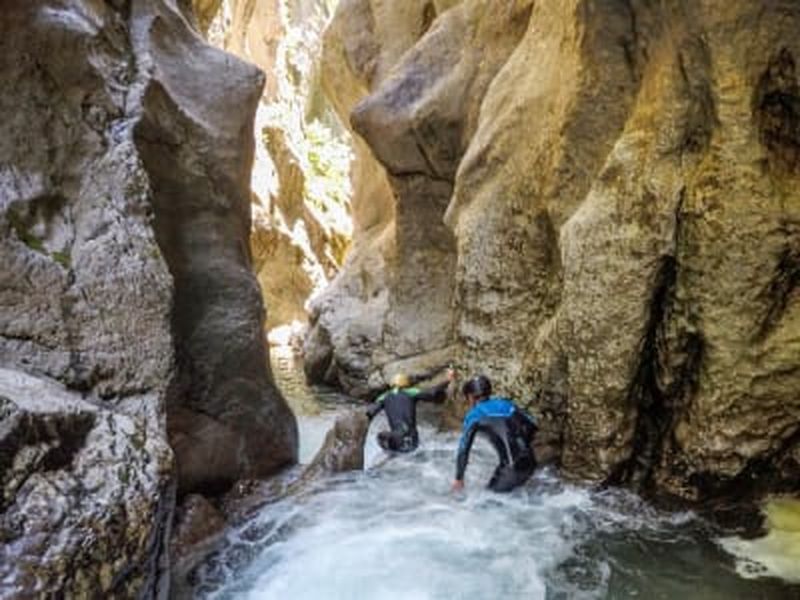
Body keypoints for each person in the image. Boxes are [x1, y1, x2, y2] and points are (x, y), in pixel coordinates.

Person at [451, 375, 537, 493]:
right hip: (530, 463)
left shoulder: (474, 415)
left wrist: (459, 479)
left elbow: (464, 449)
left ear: (470, 397)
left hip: (511, 469)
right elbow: (532, 424)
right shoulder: (507, 404)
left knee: (486, 505)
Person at [366, 370, 454, 452]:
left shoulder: (384, 397)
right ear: (406, 383)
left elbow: (370, 412)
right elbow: (432, 392)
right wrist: (447, 380)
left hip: (395, 438)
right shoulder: (411, 392)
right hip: (411, 437)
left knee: (381, 437)